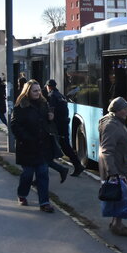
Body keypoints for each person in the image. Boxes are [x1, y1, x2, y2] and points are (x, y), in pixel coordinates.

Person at [10, 80, 55, 213]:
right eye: (34, 91)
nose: (38, 93)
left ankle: (44, 202)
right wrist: (26, 138)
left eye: (39, 90)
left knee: (43, 173)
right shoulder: (20, 106)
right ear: (27, 91)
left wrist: (50, 118)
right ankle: (22, 194)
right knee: (28, 174)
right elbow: (15, 126)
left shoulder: (43, 104)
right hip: (27, 147)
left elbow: (46, 125)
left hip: (41, 146)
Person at [98, 97, 127, 236]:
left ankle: (116, 223)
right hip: (118, 167)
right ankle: (117, 225)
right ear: (118, 110)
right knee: (121, 197)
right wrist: (113, 172)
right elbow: (107, 150)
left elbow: (119, 142)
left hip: (120, 165)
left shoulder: (115, 122)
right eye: (125, 109)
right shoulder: (112, 125)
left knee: (119, 196)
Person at [45, 79, 84, 177]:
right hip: (64, 123)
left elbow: (51, 111)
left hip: (58, 126)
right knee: (65, 146)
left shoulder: (52, 96)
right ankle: (77, 165)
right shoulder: (61, 95)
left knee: (64, 147)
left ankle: (76, 166)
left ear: (48, 87)